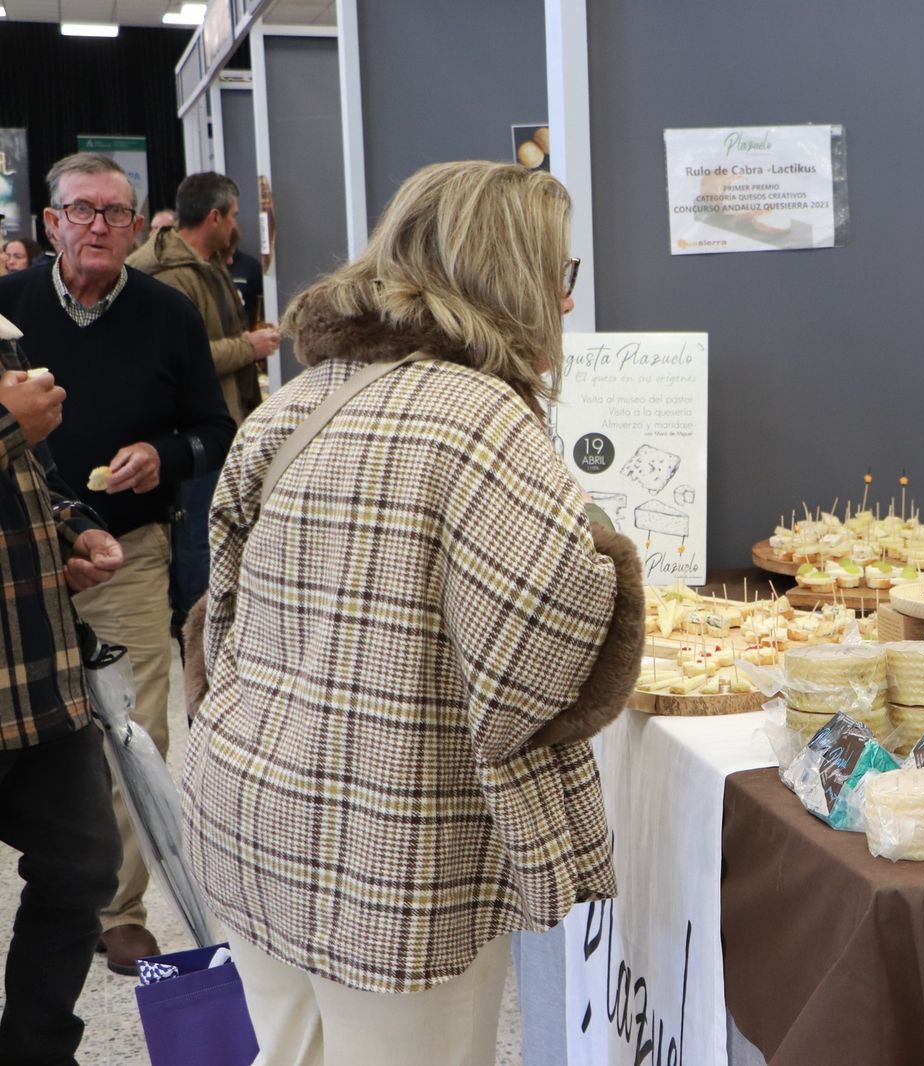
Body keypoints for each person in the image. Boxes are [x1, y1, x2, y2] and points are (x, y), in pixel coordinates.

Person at [182, 161, 643, 1064]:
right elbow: (532, 665)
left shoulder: (305, 396)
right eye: (561, 273)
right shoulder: (483, 419)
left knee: (288, 1046)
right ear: (509, 273)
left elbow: (220, 606)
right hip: (395, 839)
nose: (566, 300)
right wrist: (608, 560)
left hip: (250, 802)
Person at [0, 152, 236, 975]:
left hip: (127, 551)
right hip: (18, 556)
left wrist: (164, 454)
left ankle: (121, 909)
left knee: (134, 727)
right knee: (41, 732)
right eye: (82, 210)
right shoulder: (8, 309)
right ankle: (68, 876)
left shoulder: (168, 314)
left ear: (138, 227)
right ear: (51, 223)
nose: (99, 225)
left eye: (115, 212)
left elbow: (215, 430)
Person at [0, 312, 126, 1060]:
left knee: (83, 869)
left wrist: (78, 526)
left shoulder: (5, 335)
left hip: (39, 673)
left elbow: (32, 481)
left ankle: (36, 1051)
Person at [129, 173, 280, 632]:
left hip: (217, 423)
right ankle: (200, 625)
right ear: (214, 216)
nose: (237, 224)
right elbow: (186, 359)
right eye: (234, 215)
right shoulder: (173, 277)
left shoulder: (206, 264)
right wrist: (249, 347)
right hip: (190, 431)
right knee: (199, 531)